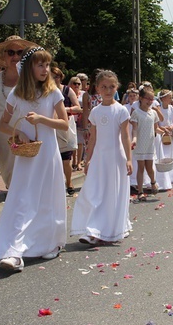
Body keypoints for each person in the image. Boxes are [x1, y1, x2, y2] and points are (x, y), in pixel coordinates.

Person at [0, 47, 68, 272]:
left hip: (47, 153)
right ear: (29, 68)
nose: (45, 70)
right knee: (22, 199)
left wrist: (42, 119)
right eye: (40, 65)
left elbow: (63, 124)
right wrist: (17, 134)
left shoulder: (53, 93)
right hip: (27, 155)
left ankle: (50, 243)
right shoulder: (16, 94)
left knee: (47, 197)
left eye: (47, 65)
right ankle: (14, 252)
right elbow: (3, 124)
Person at [71, 70, 133, 244]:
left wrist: (128, 158)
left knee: (112, 193)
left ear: (117, 87)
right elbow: (93, 138)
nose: (108, 90)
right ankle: (92, 229)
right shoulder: (96, 112)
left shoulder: (121, 110)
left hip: (115, 157)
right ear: (97, 88)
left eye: (111, 86)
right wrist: (87, 158)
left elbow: (125, 136)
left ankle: (110, 227)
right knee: (95, 192)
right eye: (104, 87)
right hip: (99, 157)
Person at [0, 35, 37, 191]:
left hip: (26, 130)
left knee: (27, 172)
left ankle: (22, 205)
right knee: (8, 171)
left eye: (20, 52)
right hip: (2, 131)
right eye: (11, 52)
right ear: (4, 56)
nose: (15, 56)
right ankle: (15, 199)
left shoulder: (32, 79)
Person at [52, 67, 82, 195]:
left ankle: (69, 182)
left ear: (61, 77)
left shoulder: (67, 90)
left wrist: (65, 109)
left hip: (65, 126)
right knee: (52, 157)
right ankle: (54, 185)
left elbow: (78, 108)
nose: (54, 79)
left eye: (56, 76)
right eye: (51, 76)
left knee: (66, 157)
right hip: (50, 126)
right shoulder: (44, 91)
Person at [131, 85, 162, 201]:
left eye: (151, 99)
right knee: (141, 167)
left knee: (150, 166)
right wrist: (134, 139)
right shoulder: (136, 113)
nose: (149, 101)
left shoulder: (153, 113)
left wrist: (165, 132)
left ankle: (153, 182)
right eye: (147, 98)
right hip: (140, 144)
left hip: (150, 144)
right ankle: (140, 191)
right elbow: (134, 129)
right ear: (141, 98)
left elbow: (156, 129)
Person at [70, 73, 89, 171]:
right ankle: (73, 160)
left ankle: (78, 163)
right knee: (73, 141)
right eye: (75, 83)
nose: (77, 85)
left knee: (80, 142)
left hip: (81, 119)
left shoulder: (83, 94)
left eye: (78, 83)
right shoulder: (68, 92)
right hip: (71, 118)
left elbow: (86, 107)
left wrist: (82, 111)